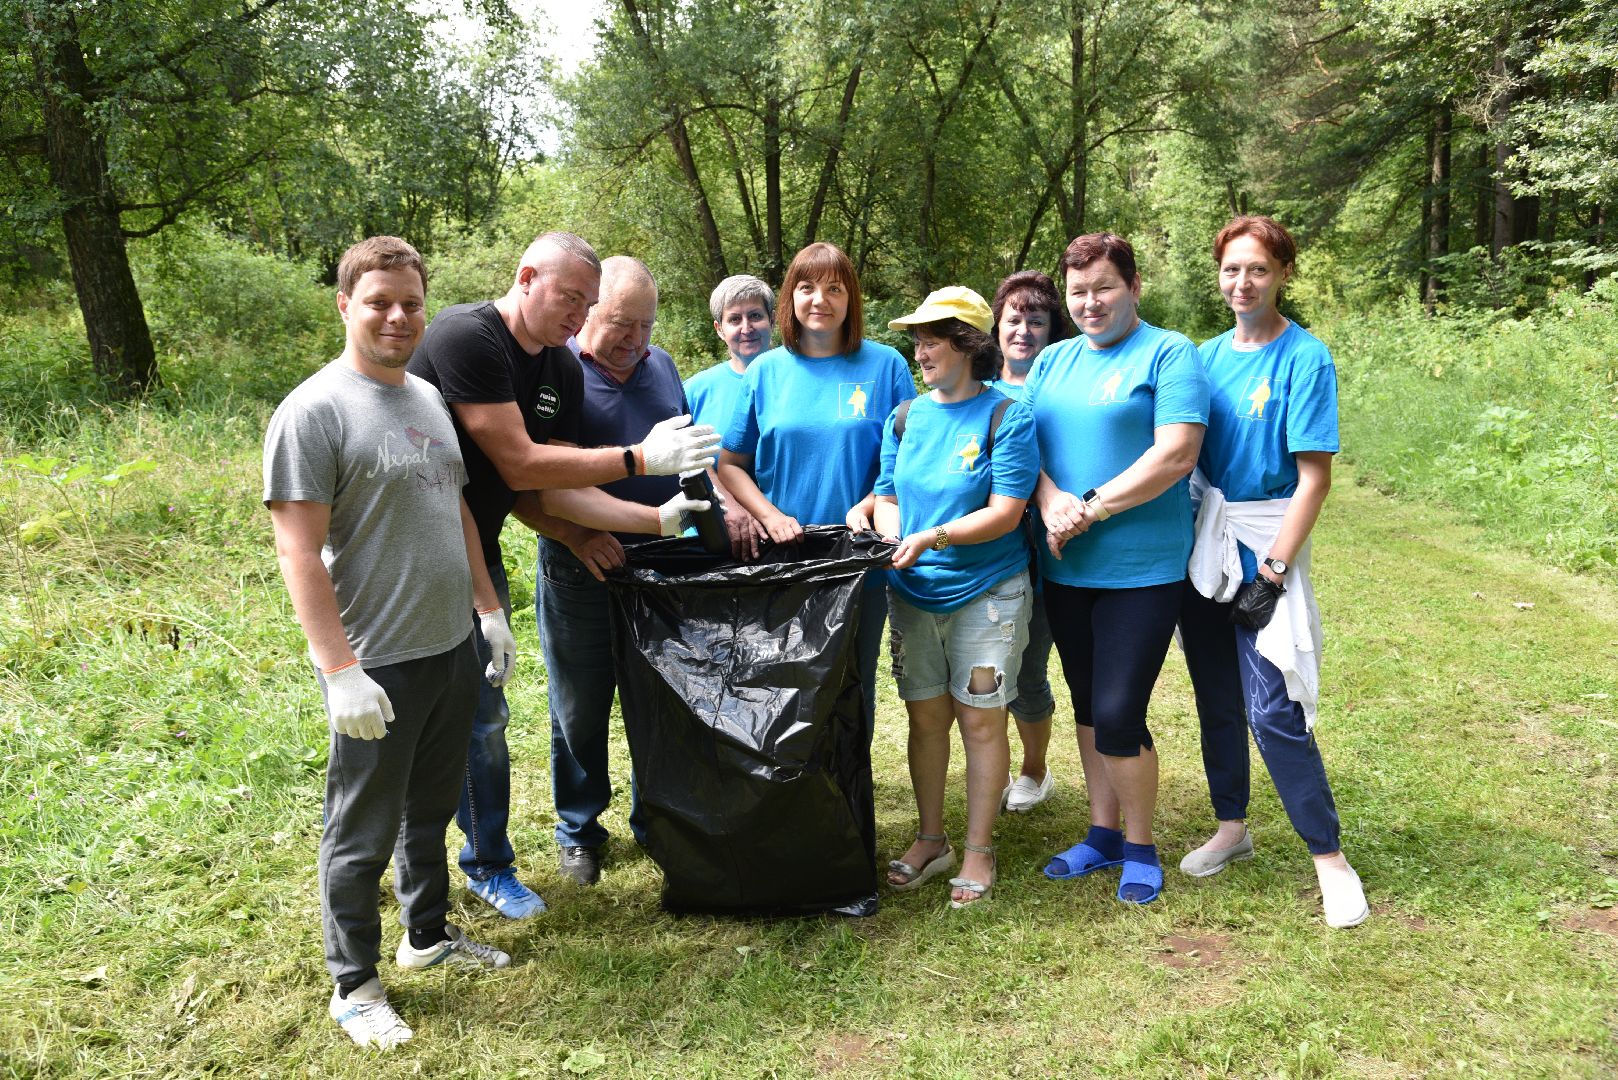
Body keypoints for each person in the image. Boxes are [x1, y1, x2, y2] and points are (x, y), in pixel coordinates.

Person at [406, 233, 719, 919]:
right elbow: (521, 467)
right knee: (441, 721)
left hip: (478, 546)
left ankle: (488, 865)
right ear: (525, 278)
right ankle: (426, 877)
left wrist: (659, 523)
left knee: (485, 718)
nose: (578, 315)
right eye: (573, 298)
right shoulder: (468, 337)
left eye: (587, 302)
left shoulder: (558, 370)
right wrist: (637, 464)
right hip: (411, 553)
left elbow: (529, 489)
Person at [264, 236, 517, 1050]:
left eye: (411, 302)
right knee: (361, 828)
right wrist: (339, 670)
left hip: (449, 649)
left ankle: (427, 936)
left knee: (431, 810)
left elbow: (460, 513)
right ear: (346, 306)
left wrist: (488, 610)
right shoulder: (314, 411)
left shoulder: (428, 399)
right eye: (379, 302)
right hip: (376, 660)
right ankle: (354, 984)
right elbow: (297, 550)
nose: (398, 316)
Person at [1176, 215, 1368, 929]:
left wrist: (1275, 572)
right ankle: (1233, 826)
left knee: (1272, 706)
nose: (1242, 283)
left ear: (1283, 272)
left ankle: (1330, 859)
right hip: (1207, 537)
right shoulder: (1202, 357)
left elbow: (1313, 479)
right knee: (1217, 694)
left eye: (1257, 269)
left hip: (1266, 538)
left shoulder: (1305, 358)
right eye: (1231, 269)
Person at [516, 256, 728, 886]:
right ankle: (578, 830)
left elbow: (690, 457)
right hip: (584, 570)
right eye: (620, 324)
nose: (636, 340)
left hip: (663, 566)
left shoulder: (661, 365)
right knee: (579, 708)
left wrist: (723, 508)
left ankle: (654, 816)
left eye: (646, 325)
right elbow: (531, 483)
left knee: (659, 696)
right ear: (587, 315)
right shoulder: (558, 371)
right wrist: (577, 533)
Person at [1027, 233, 1208, 906]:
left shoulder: (1170, 353)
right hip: (1067, 569)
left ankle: (1140, 843)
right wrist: (1049, 501)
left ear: (1133, 286)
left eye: (1103, 287)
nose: (1090, 303)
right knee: (1085, 703)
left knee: (1118, 711)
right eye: (1077, 292)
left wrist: (1092, 509)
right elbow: (1023, 448)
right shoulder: (1051, 362)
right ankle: (1101, 836)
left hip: (1142, 569)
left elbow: (1176, 455)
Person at [875, 287, 1039, 908]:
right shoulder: (906, 416)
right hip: (913, 591)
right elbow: (886, 492)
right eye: (916, 340)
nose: (919, 352)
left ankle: (977, 850)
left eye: (931, 339)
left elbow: (1006, 512)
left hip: (988, 592)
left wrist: (931, 536)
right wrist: (894, 537)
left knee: (980, 719)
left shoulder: (1007, 417)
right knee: (926, 718)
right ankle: (931, 839)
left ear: (969, 344)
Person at [718, 242, 915, 744]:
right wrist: (770, 516)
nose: (819, 299)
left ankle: (848, 796)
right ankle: (790, 792)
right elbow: (732, 466)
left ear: (851, 298)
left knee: (854, 680)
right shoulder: (766, 370)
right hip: (784, 554)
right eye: (806, 287)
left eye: (834, 287)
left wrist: (872, 502)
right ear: (790, 297)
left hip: (859, 558)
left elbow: (908, 459)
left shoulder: (886, 365)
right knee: (782, 681)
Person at [985, 271, 1074, 813]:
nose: (1022, 331)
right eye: (1013, 320)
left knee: (1027, 670)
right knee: (987, 669)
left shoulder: (1064, 387)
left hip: (1051, 549)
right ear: (995, 328)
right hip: (990, 549)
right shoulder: (973, 386)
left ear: (1051, 330)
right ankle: (988, 769)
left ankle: (1034, 770)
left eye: (1035, 322)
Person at [685, 274, 775, 432]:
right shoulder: (694, 392)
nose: (746, 329)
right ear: (719, 329)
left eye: (755, 316)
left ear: (772, 320)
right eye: (735, 319)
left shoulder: (798, 378)